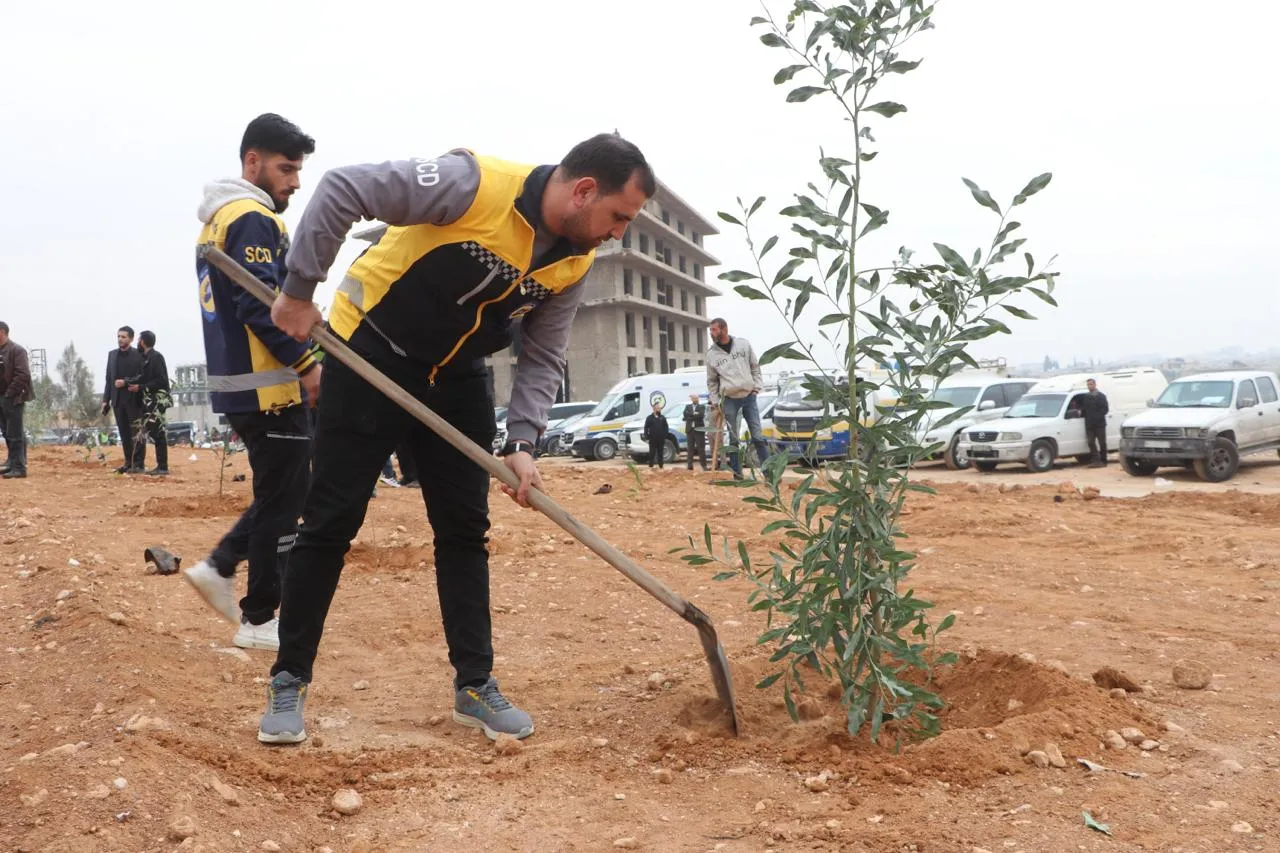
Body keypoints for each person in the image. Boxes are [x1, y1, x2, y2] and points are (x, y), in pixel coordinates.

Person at [256, 133, 654, 745]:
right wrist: (298, 291)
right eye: (618, 217)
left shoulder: (574, 259)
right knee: (330, 523)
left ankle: (475, 686)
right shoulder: (470, 185)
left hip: (458, 377)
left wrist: (523, 440)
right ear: (583, 191)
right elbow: (342, 187)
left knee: (465, 532)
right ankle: (289, 680)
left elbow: (544, 354)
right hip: (369, 356)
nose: (618, 233)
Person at [182, 113, 321, 653]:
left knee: (285, 491)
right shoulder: (251, 218)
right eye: (286, 169)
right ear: (252, 162)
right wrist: (306, 362)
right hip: (269, 388)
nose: (295, 181)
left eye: (299, 170)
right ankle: (260, 616)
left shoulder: (220, 219)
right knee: (284, 501)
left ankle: (219, 566)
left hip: (246, 385)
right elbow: (261, 304)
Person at [705, 318, 770, 479]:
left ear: (724, 329)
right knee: (733, 439)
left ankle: (769, 473)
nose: (711, 333)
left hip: (749, 397)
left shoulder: (743, 345)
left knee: (757, 437)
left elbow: (755, 367)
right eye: (710, 330)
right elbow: (712, 381)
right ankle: (737, 475)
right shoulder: (711, 354)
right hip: (729, 400)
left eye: (714, 329)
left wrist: (757, 387)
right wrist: (715, 401)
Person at [128, 330, 172, 476]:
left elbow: (161, 380)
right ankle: (160, 466)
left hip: (157, 401)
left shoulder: (156, 358)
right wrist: (129, 382)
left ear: (142, 342)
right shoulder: (146, 358)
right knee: (154, 433)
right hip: (149, 401)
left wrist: (141, 387)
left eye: (139, 340)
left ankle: (163, 467)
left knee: (158, 433)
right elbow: (143, 377)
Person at [102, 326, 144, 473]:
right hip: (117, 401)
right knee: (124, 433)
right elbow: (108, 379)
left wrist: (126, 382)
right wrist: (105, 400)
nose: (120, 339)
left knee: (136, 433)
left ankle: (138, 464)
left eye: (124, 337)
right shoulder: (112, 355)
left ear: (131, 339)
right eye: (119, 336)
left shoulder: (138, 355)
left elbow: (142, 376)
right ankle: (128, 462)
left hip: (134, 400)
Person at [0, 321, 33, 479]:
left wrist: (9, 394)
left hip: (13, 397)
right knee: (7, 431)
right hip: (1, 397)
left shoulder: (17, 350)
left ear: (2, 332)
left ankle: (19, 467)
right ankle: (12, 463)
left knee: (15, 432)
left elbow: (22, 374)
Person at [1079, 378, 1110, 467]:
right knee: (1090, 442)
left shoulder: (1101, 396)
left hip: (1100, 424)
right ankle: (1096, 460)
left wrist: (1097, 416)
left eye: (1091, 384)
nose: (1090, 386)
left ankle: (1104, 461)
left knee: (1102, 443)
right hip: (1089, 424)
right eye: (1088, 384)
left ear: (1095, 385)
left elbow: (1105, 409)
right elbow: (1084, 410)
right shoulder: (1086, 397)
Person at [682, 393, 709, 471]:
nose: (695, 400)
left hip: (699, 430)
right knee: (690, 448)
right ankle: (690, 465)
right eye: (693, 398)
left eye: (696, 398)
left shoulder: (702, 406)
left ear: (698, 399)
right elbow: (685, 415)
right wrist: (693, 414)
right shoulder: (688, 406)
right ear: (691, 399)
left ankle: (704, 465)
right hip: (690, 430)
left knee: (701, 448)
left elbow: (701, 415)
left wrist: (690, 416)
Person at [641, 399, 669, 469]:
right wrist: (647, 436)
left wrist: (665, 435)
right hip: (652, 438)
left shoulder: (662, 418)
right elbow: (646, 427)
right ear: (653, 409)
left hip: (661, 439)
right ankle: (651, 466)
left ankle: (661, 466)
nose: (658, 409)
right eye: (657, 408)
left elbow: (666, 427)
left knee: (660, 452)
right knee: (652, 453)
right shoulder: (649, 418)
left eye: (659, 408)